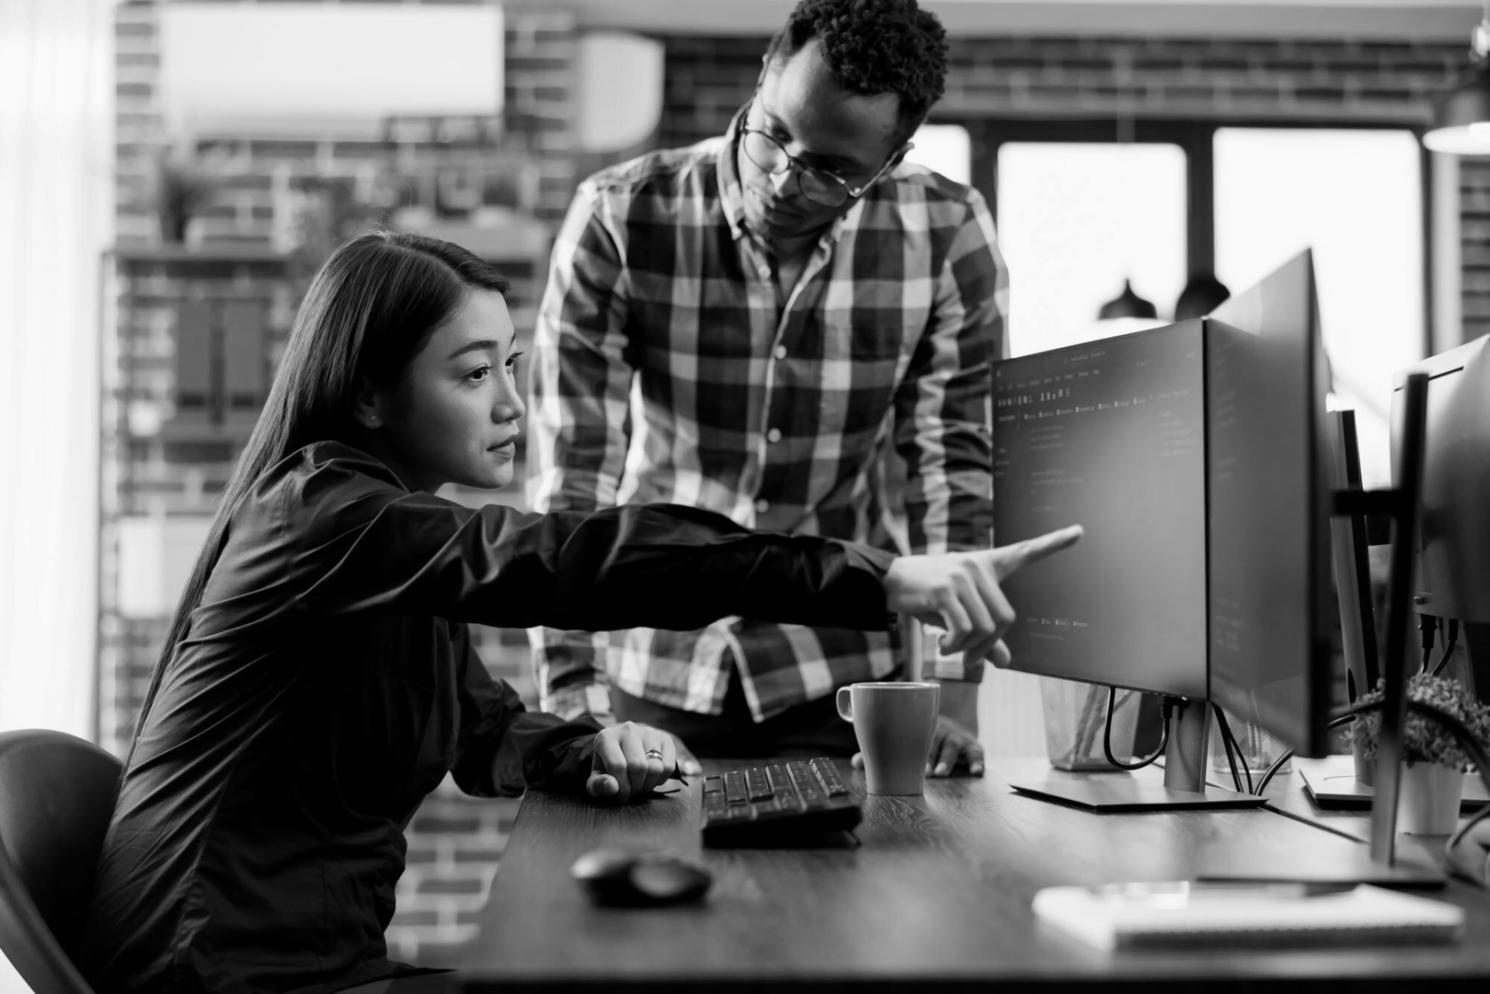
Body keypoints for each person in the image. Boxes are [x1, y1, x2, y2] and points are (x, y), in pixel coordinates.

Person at [79, 231, 1078, 994]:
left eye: (510, 364)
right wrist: (880, 578)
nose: (512, 402)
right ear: (370, 395)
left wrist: (590, 746)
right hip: (217, 976)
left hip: (303, 963)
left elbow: (480, 729)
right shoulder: (320, 517)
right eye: (474, 374)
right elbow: (569, 559)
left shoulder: (384, 538)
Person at [529, 0, 1007, 776]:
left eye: (830, 170)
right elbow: (571, 477)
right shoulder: (622, 216)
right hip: (656, 660)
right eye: (775, 132)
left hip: (846, 674)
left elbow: (952, 468)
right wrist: (574, 706)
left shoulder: (947, 230)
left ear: (889, 160)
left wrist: (952, 696)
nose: (785, 178)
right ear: (762, 79)